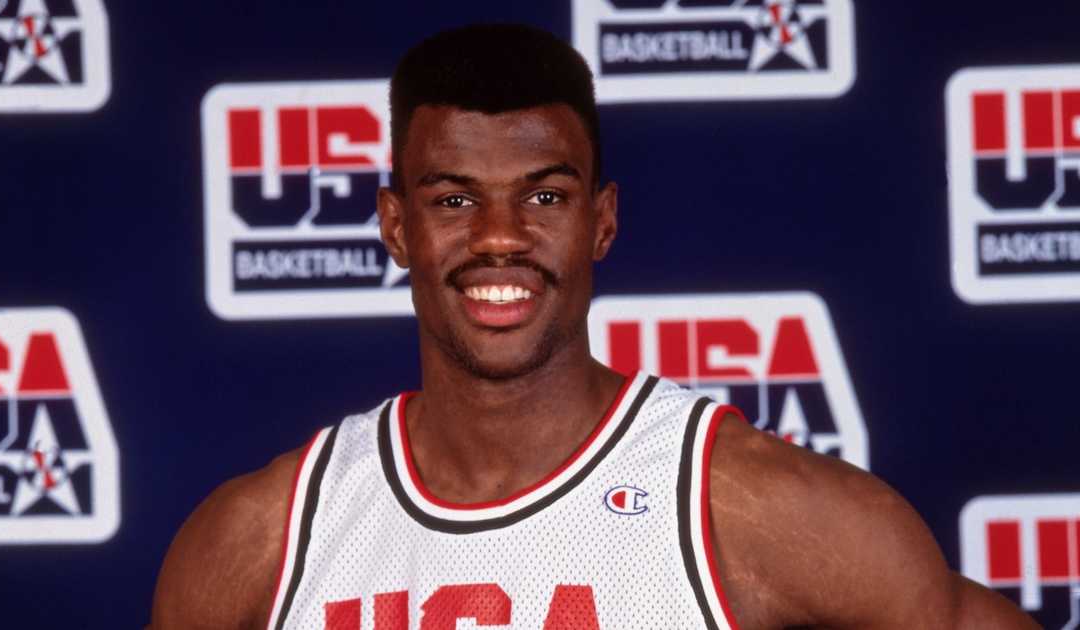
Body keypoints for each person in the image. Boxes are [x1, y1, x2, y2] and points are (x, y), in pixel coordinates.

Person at [151, 24, 1036, 629]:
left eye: (544, 195)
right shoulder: (267, 540)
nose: (500, 238)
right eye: (454, 199)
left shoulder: (743, 509)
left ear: (601, 222)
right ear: (394, 227)